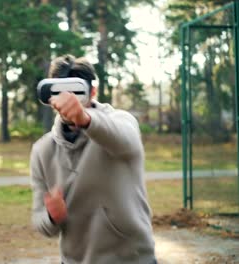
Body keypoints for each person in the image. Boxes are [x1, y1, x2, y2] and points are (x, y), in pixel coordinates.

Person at [29, 54, 156, 264]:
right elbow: (40, 220)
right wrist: (52, 216)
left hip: (133, 259)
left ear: (93, 92)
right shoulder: (43, 151)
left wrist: (85, 119)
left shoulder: (121, 122)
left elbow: (126, 140)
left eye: (76, 91)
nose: (68, 99)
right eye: (59, 91)